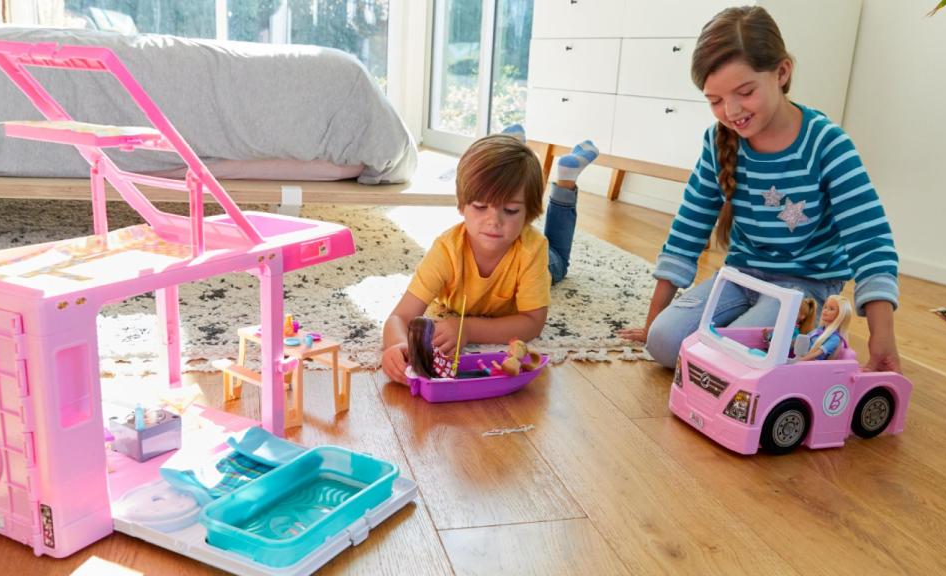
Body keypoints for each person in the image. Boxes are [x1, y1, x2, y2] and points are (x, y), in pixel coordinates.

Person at [619, 6, 901, 373]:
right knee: (664, 343)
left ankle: (814, 340)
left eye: (745, 92)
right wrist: (654, 319)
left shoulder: (827, 144)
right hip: (741, 275)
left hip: (806, 287)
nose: (731, 111)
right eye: (715, 100)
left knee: (730, 358)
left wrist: (883, 335)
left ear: (782, 73)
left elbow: (870, 239)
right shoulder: (718, 142)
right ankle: (787, 346)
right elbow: (689, 227)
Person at [381, 126, 598, 384]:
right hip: (515, 245)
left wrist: (468, 329)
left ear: (528, 214)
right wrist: (397, 346)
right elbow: (399, 317)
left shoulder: (533, 249)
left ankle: (565, 182)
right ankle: (511, 147)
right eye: (481, 207)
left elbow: (533, 323)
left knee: (559, 259)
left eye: (510, 210)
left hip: (542, 258)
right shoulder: (446, 250)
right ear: (461, 206)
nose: (494, 221)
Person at [799, 295, 852, 361]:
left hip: (813, 365)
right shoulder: (819, 330)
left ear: (840, 315)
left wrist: (799, 361)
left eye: (831, 309)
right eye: (825, 307)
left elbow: (816, 354)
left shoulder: (835, 338)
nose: (825, 311)